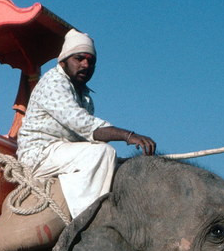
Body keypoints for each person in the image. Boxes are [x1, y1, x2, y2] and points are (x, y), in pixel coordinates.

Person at [16, 28, 156, 217]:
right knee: (102, 152)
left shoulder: (85, 95)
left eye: (91, 61)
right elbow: (85, 126)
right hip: (39, 154)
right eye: (79, 58)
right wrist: (128, 136)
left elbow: (86, 137)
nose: (85, 65)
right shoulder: (53, 83)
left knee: (113, 161)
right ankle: (85, 219)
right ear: (63, 61)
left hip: (62, 153)